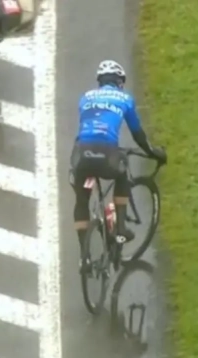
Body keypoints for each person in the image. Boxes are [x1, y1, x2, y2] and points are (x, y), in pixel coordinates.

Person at [70, 60, 167, 270]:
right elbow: (138, 134)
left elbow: (89, 127)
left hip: (81, 155)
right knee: (121, 173)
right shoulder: (125, 99)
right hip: (107, 155)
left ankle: (84, 258)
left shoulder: (85, 98)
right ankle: (121, 229)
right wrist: (153, 153)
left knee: (81, 200)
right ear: (119, 82)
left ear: (100, 82)